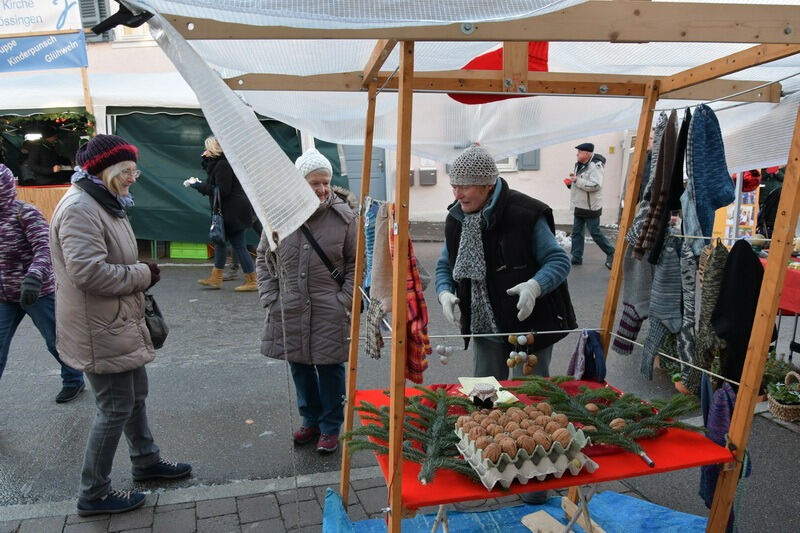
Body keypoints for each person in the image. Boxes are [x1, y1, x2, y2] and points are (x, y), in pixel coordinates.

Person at [50, 134, 191, 516]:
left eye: (134, 171)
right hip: (99, 327)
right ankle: (93, 493)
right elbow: (88, 273)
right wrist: (142, 273)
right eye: (127, 170)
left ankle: (145, 460)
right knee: (114, 407)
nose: (132, 177)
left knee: (134, 396)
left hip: (115, 322)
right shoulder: (81, 208)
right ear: (105, 170)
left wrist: (137, 274)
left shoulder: (104, 202)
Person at [435, 144, 576, 382]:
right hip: (483, 326)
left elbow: (558, 260)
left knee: (529, 394)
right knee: (484, 393)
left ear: (487, 185)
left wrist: (534, 286)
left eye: (465, 187)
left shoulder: (526, 214)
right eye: (454, 186)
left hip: (529, 325)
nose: (457, 195)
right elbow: (444, 265)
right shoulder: (456, 219)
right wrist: (444, 292)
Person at [256, 148, 357, 454]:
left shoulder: (344, 217)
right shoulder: (278, 215)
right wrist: (270, 296)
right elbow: (263, 258)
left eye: (325, 182)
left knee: (330, 368)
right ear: (299, 183)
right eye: (314, 183)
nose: (322, 189)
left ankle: (330, 426)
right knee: (299, 365)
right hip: (290, 305)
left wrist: (345, 300)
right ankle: (310, 420)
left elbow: (357, 264)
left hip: (330, 306)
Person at [0, 163, 85, 402]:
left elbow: (45, 248)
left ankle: (73, 380)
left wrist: (34, 277)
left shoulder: (25, 213)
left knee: (56, 341)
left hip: (37, 291)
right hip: (4, 295)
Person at [184, 136, 258, 291]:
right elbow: (215, 182)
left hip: (233, 211)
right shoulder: (219, 163)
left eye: (207, 148)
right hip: (229, 210)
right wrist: (205, 161)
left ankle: (252, 280)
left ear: (213, 149)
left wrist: (197, 185)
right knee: (220, 242)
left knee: (238, 245)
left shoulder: (223, 165)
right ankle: (216, 278)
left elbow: (222, 191)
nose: (204, 151)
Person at [566, 142, 615, 269]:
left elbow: (596, 185)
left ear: (587, 154)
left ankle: (611, 252)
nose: (577, 154)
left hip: (590, 207)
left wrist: (577, 180)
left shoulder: (596, 166)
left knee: (595, 232)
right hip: (579, 204)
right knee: (577, 232)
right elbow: (579, 182)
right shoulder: (579, 164)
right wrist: (571, 184)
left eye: (579, 152)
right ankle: (576, 257)